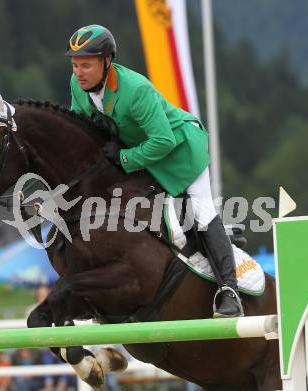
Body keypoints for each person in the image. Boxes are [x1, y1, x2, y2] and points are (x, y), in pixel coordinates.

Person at [66, 24, 243, 318]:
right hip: (140, 152)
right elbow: (80, 130)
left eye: (86, 65)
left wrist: (123, 159)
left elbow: (163, 140)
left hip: (179, 151)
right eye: (74, 65)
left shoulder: (135, 89)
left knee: (199, 211)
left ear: (106, 61)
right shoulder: (77, 86)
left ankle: (229, 290)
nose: (79, 72)